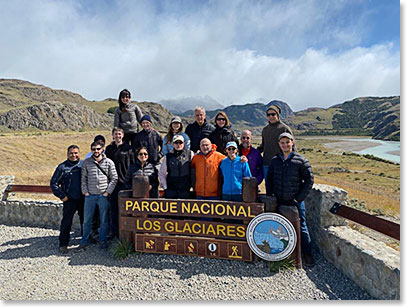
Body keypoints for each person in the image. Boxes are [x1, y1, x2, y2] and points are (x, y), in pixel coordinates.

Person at [265, 132, 315, 266]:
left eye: (287, 142)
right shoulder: (275, 160)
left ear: (292, 142)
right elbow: (269, 178)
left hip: (295, 202)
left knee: (302, 227)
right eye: (282, 142)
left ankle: (307, 254)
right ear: (279, 144)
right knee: (279, 228)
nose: (285, 145)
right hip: (279, 200)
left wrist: (299, 198)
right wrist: (271, 195)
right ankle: (281, 252)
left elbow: (309, 180)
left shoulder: (301, 160)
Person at [76, 141, 118, 252]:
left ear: (102, 149)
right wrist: (85, 192)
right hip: (90, 196)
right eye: (94, 149)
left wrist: (107, 192)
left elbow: (114, 178)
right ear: (91, 150)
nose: (96, 151)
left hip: (103, 196)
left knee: (104, 220)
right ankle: (84, 241)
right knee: (87, 220)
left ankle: (103, 241)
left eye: (98, 149)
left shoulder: (109, 162)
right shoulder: (86, 163)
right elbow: (83, 179)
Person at [50, 145, 84, 254]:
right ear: (67, 154)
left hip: (83, 198)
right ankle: (63, 244)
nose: (74, 155)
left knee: (86, 221)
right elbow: (54, 183)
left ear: (79, 153)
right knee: (66, 222)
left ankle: (85, 240)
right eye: (71, 153)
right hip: (69, 199)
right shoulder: (62, 167)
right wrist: (62, 196)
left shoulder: (83, 165)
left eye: (76, 153)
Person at [105, 127, 134, 239]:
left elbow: (132, 165)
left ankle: (126, 232)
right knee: (113, 209)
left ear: (122, 135)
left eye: (119, 134)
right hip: (112, 183)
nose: (117, 136)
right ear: (112, 135)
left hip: (124, 183)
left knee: (126, 209)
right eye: (115, 134)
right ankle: (114, 232)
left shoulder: (129, 149)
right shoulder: (109, 149)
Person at [257, 105, 295, 187]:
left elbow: (292, 146)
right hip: (266, 163)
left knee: (280, 186)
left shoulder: (284, 128)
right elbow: (263, 145)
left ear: (277, 115)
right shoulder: (265, 130)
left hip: (280, 163)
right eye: (268, 115)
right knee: (269, 186)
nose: (271, 116)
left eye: (273, 114)